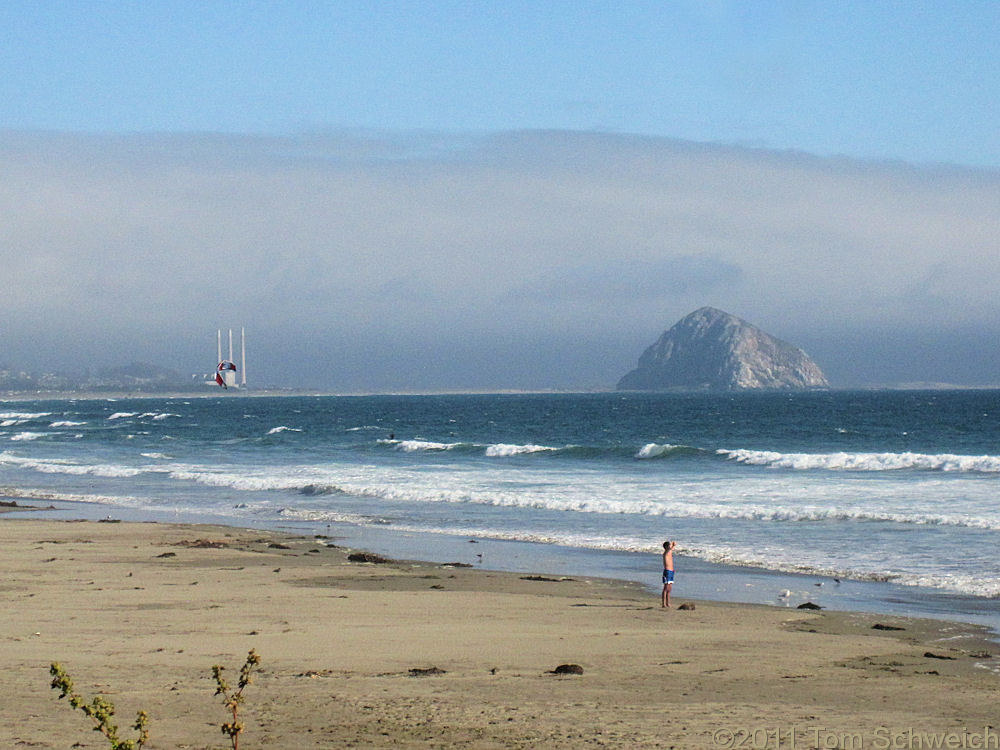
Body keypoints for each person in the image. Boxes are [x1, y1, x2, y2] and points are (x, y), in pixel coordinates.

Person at [661, 540, 676, 608]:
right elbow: (669, 549)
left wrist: (673, 545)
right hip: (667, 571)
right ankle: (663, 603)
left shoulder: (670, 551)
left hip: (671, 571)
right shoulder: (665, 553)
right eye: (669, 545)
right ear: (666, 547)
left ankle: (668, 603)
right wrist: (672, 544)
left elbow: (672, 548)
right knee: (666, 588)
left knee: (669, 588)